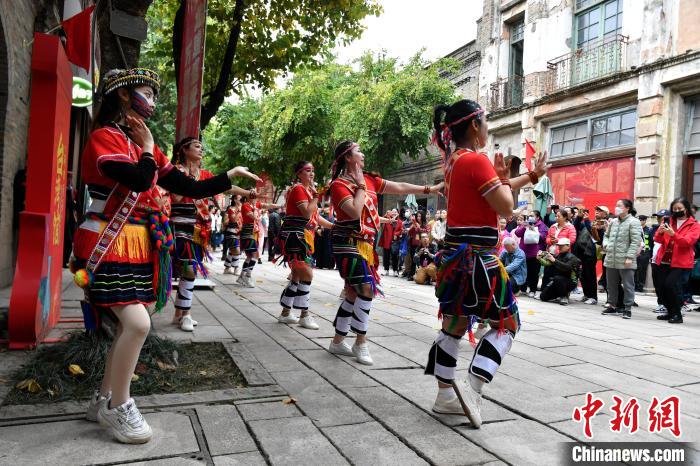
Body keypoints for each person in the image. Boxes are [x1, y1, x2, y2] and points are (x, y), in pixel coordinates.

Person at [71, 68, 259, 444]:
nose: (153, 101)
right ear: (124, 96)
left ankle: (103, 400)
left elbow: (187, 186)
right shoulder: (103, 138)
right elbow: (140, 179)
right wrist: (147, 146)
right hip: (106, 243)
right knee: (138, 325)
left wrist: (227, 177)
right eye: (147, 93)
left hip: (135, 245)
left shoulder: (145, 147)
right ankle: (118, 407)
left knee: (128, 327)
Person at [425, 99, 547, 428]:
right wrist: (508, 180)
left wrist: (529, 176)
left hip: (455, 259)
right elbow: (506, 207)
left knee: (455, 325)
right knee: (507, 324)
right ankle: (474, 385)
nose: (488, 126)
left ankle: (444, 397)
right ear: (475, 125)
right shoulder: (477, 161)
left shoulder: (454, 162)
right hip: (479, 262)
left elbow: (492, 193)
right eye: (486, 120)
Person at [327, 140, 443, 366]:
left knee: (353, 292)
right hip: (346, 242)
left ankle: (337, 340)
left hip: (366, 245)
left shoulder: (370, 179)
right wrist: (360, 186)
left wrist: (429, 189)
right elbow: (353, 212)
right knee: (366, 288)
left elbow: (398, 187)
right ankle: (361, 342)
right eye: (359, 151)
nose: (363, 155)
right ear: (348, 157)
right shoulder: (339, 185)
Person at [168, 137, 219, 332]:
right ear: (184, 150)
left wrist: (247, 194)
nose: (201, 150)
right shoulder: (176, 171)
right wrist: (188, 180)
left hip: (198, 228)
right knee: (188, 269)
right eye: (197, 146)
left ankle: (179, 314)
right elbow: (176, 197)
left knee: (190, 271)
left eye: (201, 147)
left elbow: (222, 186)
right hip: (180, 224)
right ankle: (186, 314)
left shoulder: (205, 174)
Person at [277, 161, 334, 329]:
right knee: (307, 274)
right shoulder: (298, 189)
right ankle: (304, 314)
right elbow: (307, 212)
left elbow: (314, 216)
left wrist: (333, 226)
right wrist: (316, 197)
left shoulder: (307, 191)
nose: (312, 174)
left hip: (302, 236)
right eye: (308, 170)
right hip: (295, 236)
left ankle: (285, 313)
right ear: (299, 174)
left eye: (313, 170)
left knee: (296, 274)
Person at [653, 198, 700, 324]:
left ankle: (677, 314)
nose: (677, 211)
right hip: (664, 259)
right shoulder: (668, 220)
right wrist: (660, 232)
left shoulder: (694, 225)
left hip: (681, 262)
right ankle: (670, 312)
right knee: (662, 287)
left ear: (686, 209)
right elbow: (658, 240)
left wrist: (673, 234)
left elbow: (687, 242)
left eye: (680, 209)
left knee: (670, 285)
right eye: (674, 209)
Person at [601, 199, 641, 319]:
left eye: (619, 206)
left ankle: (627, 308)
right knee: (611, 285)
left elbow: (635, 241)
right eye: (616, 205)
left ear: (627, 208)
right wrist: (606, 244)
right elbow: (606, 236)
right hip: (611, 258)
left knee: (628, 285)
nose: (616, 207)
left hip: (626, 260)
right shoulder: (613, 222)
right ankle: (612, 305)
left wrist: (630, 257)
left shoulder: (634, 222)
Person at [238, 197, 277, 287]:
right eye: (252, 193)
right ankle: (247, 276)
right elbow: (254, 217)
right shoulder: (246, 205)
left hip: (251, 233)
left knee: (249, 256)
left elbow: (267, 205)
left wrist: (280, 205)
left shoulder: (254, 205)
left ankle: (241, 276)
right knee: (255, 255)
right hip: (247, 234)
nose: (255, 196)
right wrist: (255, 210)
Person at [513, 211, 548, 297]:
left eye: (532, 216)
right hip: (523, 252)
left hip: (535, 253)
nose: (530, 218)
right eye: (529, 216)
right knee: (523, 271)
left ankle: (533, 290)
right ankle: (523, 289)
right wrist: (525, 227)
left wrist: (532, 228)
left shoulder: (541, 225)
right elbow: (517, 233)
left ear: (538, 217)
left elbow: (542, 237)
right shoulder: (525, 224)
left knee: (534, 272)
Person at [537, 238, 580, 305]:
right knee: (543, 297)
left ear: (568, 246)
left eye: (562, 246)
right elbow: (547, 264)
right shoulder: (557, 256)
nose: (559, 247)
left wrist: (554, 260)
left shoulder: (573, 258)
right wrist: (539, 258)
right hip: (558, 280)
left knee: (558, 278)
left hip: (571, 282)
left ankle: (564, 296)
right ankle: (559, 294)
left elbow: (566, 267)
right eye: (559, 245)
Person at [542, 210, 576, 289]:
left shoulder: (570, 227)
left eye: (558, 216)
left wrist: (558, 241)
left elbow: (572, 240)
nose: (556, 218)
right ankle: (544, 291)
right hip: (550, 253)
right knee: (547, 273)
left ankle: (560, 294)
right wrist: (551, 241)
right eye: (556, 216)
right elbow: (547, 238)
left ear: (564, 217)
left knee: (558, 275)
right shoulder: (553, 226)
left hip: (562, 255)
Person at [572, 208, 599, 304]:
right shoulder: (582, 224)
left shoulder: (594, 225)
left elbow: (592, 231)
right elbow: (574, 227)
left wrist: (587, 220)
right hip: (580, 253)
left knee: (590, 275)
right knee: (582, 275)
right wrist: (579, 217)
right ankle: (586, 295)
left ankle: (593, 297)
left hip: (590, 253)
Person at [650, 209, 669, 313]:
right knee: (657, 283)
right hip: (654, 260)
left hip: (664, 260)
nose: (659, 219)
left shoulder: (670, 229)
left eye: (661, 217)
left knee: (664, 284)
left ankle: (668, 304)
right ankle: (660, 303)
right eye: (657, 217)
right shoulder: (654, 229)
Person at [591, 206, 610, 291]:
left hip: (606, 249)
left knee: (605, 267)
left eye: (600, 210)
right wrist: (594, 228)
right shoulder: (593, 222)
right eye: (596, 210)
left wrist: (606, 228)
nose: (597, 212)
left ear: (605, 214)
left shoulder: (609, 222)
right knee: (591, 267)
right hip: (593, 248)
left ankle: (603, 284)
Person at [407, 211, 429, 280]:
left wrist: (419, 227)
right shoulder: (414, 223)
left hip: (421, 245)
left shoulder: (425, 224)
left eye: (420, 216)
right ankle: (411, 275)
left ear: (422, 217)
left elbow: (425, 232)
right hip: (413, 244)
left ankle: (422, 276)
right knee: (413, 259)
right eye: (417, 216)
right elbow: (409, 233)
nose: (418, 218)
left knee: (422, 260)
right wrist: (413, 227)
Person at [635, 215, 652, 292]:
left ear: (645, 220)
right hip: (636, 251)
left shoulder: (648, 230)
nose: (640, 221)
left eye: (641, 220)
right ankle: (635, 285)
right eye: (638, 220)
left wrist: (650, 254)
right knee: (635, 269)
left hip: (645, 252)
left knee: (642, 269)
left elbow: (652, 242)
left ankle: (640, 286)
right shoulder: (636, 229)